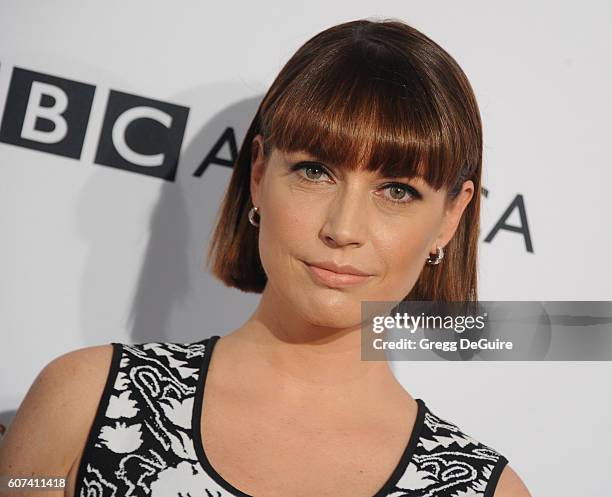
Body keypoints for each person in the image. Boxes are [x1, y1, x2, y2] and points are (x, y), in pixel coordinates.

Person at [0, 17, 531, 497]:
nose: (343, 229)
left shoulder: (484, 491)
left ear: (450, 217)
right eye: (314, 171)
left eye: (396, 190)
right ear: (258, 174)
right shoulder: (83, 402)